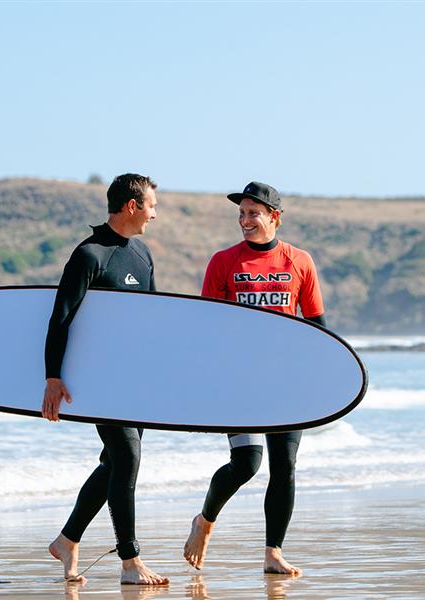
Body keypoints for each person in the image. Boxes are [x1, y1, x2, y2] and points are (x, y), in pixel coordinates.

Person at [183, 181, 326, 576]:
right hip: (240, 382)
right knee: (247, 463)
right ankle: (205, 521)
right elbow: (207, 326)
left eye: (253, 213)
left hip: (286, 383)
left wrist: (319, 378)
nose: (245, 220)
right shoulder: (223, 262)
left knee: (285, 466)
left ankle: (273, 552)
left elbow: (317, 327)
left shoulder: (299, 261)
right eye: (241, 213)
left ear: (274, 217)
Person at [42, 173, 169, 586]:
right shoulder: (89, 255)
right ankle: (130, 561)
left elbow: (151, 320)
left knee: (114, 462)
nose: (154, 213)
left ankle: (67, 540)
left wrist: (159, 375)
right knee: (127, 458)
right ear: (132, 206)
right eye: (151, 205)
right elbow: (61, 319)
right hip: (99, 382)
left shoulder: (142, 254)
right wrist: (53, 377)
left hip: (134, 380)